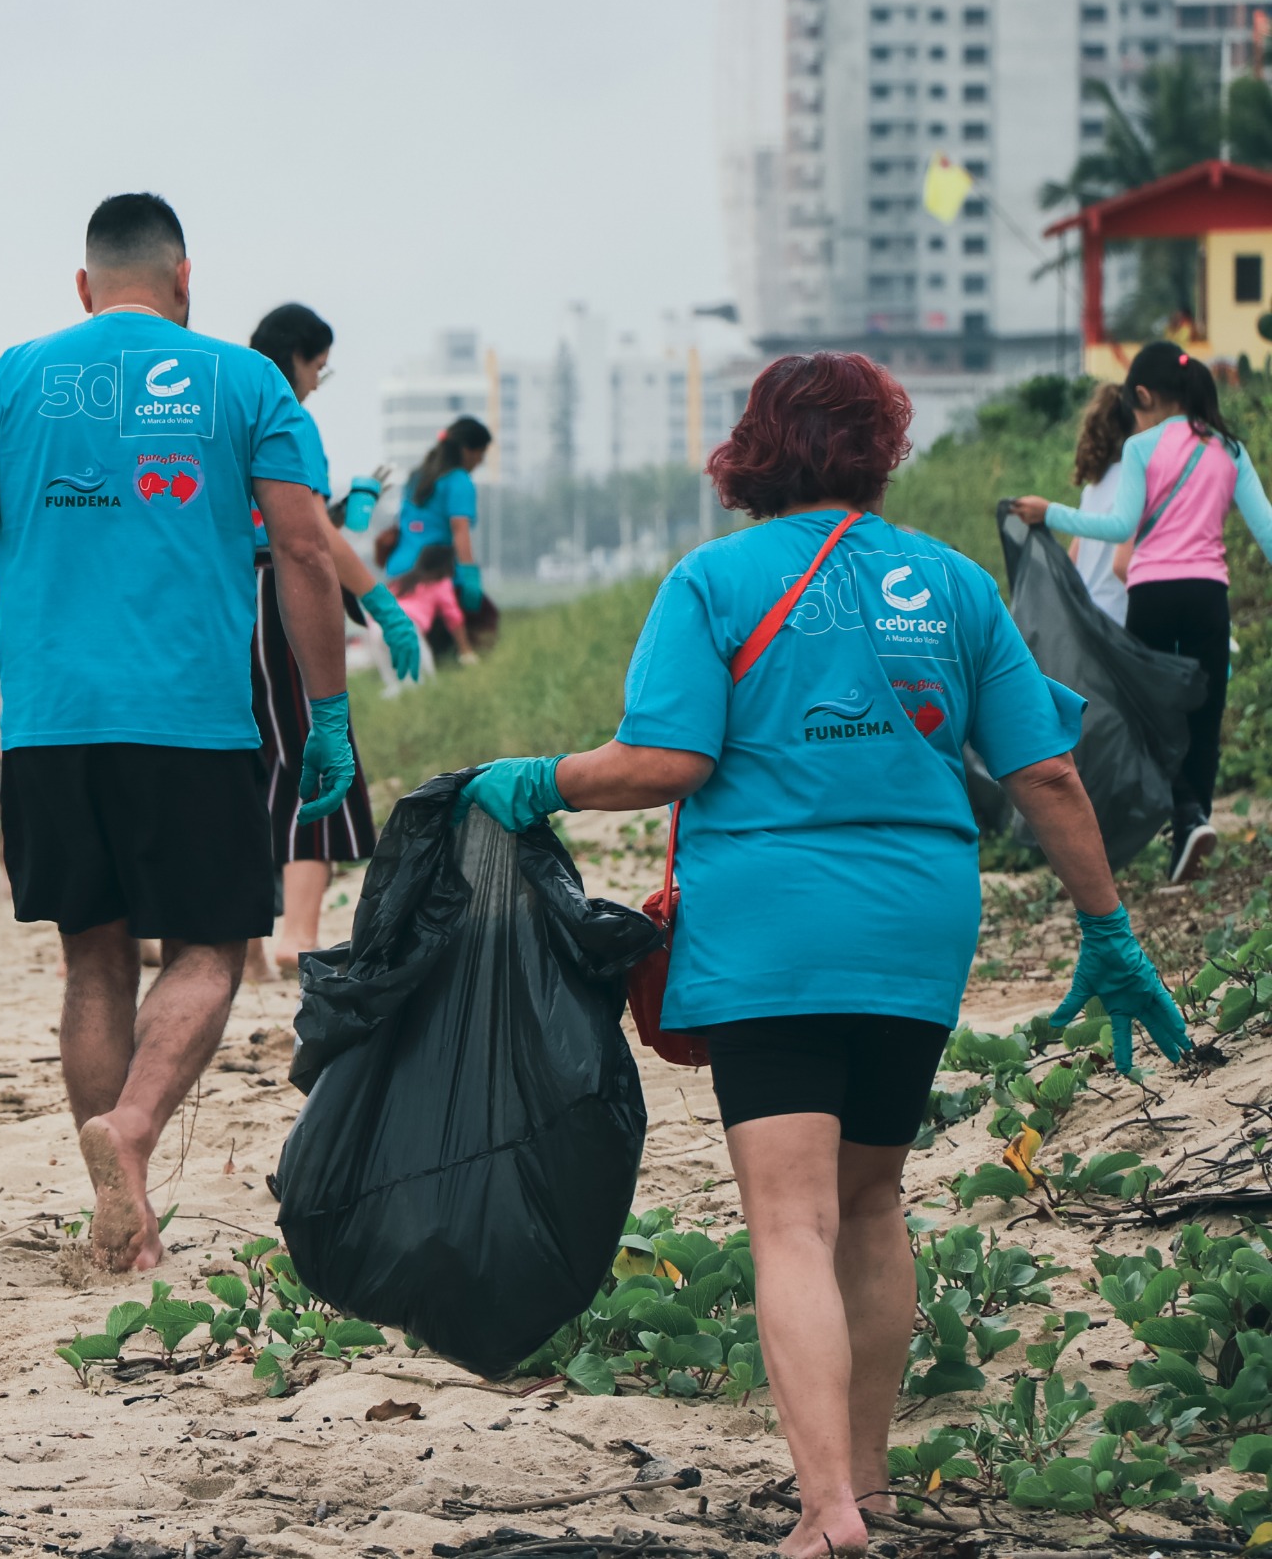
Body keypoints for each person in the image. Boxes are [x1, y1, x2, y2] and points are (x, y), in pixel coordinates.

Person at [459, 350, 1186, 1559]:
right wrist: (1107, 928)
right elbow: (1045, 771)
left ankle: (826, 1512)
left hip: (772, 925)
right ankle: (873, 1481)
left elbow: (665, 763)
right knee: (870, 1198)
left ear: (754, 447)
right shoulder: (951, 584)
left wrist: (537, 777)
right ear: (880, 449)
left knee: (788, 1219)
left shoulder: (714, 579)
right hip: (916, 923)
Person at [0, 192, 355, 1274]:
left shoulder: (16, 374)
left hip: (48, 727)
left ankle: (123, 1208)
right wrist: (328, 713)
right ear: (185, 279)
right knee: (212, 945)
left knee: (92, 958)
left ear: (84, 286)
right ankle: (129, 1130)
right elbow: (309, 554)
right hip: (189, 722)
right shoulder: (245, 379)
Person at [1016, 342, 1272, 883]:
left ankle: (1185, 814)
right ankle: (1193, 822)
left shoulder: (1141, 449)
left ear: (1144, 396)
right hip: (1209, 594)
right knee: (1204, 711)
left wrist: (1050, 512)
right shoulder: (1231, 449)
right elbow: (1268, 535)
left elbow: (1115, 527)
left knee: (1149, 712)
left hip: (1153, 593)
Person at [243, 304, 424, 980]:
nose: (317, 383)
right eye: (317, 367)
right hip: (279, 598)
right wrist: (381, 602)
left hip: (223, 605)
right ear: (297, 357)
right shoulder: (284, 415)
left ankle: (245, 945)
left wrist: (356, 504)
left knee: (245, 764)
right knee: (313, 758)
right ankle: (299, 932)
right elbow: (310, 536)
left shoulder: (223, 406)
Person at [384, 415, 491, 619]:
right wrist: (470, 576)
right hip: (434, 575)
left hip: (399, 572)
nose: (481, 461)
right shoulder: (459, 481)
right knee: (477, 626)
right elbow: (460, 530)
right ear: (468, 451)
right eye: (481, 453)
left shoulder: (416, 477)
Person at [1062, 383, 1136, 627]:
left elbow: (1071, 562)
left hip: (1088, 623)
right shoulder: (1136, 479)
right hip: (1121, 624)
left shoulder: (1094, 488)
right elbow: (1123, 565)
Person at [395, 543, 476, 668]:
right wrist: (465, 650)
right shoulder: (440, 583)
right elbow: (454, 617)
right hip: (409, 626)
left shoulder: (403, 581)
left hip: (379, 625)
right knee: (425, 678)